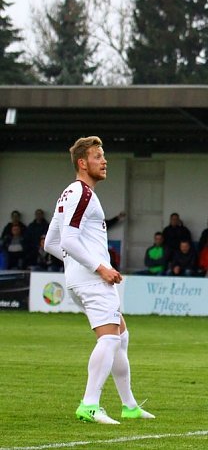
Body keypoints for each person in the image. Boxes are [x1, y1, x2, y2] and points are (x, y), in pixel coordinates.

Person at [43, 136, 154, 424]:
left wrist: (78, 266)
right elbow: (67, 239)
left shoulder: (68, 193)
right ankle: (89, 404)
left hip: (81, 280)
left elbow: (51, 243)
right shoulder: (82, 193)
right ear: (82, 163)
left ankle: (129, 405)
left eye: (103, 156)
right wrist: (99, 268)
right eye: (97, 156)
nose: (104, 161)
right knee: (109, 339)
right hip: (93, 280)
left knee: (121, 337)